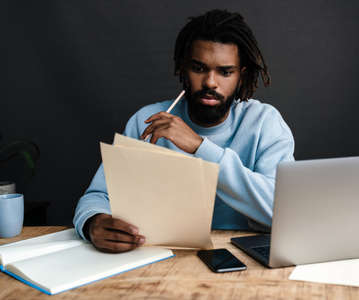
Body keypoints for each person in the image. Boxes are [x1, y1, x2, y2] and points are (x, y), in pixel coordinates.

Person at [73, 9, 294, 253]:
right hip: (158, 255)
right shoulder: (147, 122)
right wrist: (93, 222)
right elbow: (98, 195)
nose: (210, 82)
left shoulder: (265, 122)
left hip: (240, 258)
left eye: (225, 71)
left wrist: (200, 147)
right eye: (199, 68)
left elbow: (284, 212)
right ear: (182, 69)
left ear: (241, 76)